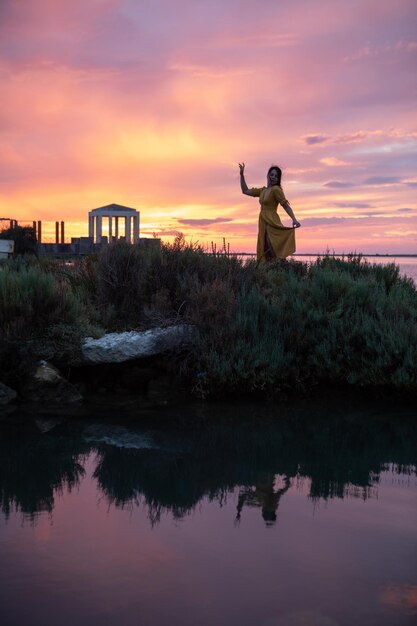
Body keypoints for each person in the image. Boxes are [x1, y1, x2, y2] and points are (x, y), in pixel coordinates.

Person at [239, 163, 301, 262]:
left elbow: (285, 205)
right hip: (263, 221)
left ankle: (280, 267)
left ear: (278, 179)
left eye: (276, 176)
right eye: (272, 174)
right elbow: (245, 190)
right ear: (267, 175)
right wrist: (241, 175)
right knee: (264, 246)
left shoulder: (276, 190)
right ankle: (269, 271)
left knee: (272, 246)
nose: (273, 177)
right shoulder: (263, 190)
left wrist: (294, 219)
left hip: (272, 221)